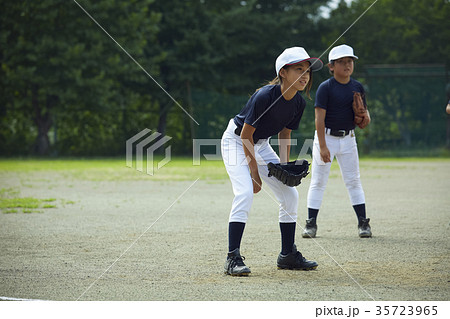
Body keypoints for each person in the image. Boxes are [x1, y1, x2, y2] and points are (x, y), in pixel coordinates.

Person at [221, 47, 323, 276]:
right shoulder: (265, 96)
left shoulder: (299, 103)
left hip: (261, 144)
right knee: (245, 192)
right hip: (236, 142)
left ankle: (287, 254)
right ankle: (232, 258)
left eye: (307, 70)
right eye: (299, 69)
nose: (305, 75)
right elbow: (246, 136)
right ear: (283, 72)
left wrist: (284, 168)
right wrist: (255, 175)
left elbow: (284, 135)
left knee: (290, 194)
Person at [303, 44, 372, 239]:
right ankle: (311, 223)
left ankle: (363, 223)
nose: (347, 65)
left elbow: (363, 112)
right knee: (318, 181)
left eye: (350, 61)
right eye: (341, 62)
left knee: (353, 181)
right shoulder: (326, 88)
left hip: (349, 138)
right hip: (327, 137)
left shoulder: (357, 86)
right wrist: (323, 146)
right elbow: (319, 119)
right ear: (331, 66)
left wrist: (366, 117)